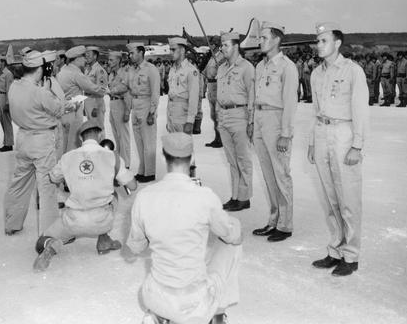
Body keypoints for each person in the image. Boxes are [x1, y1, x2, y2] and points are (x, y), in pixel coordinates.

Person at [127, 132, 242, 324]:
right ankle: (217, 314)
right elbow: (233, 237)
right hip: (194, 303)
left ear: (164, 157)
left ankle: (159, 315)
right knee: (232, 241)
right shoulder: (205, 197)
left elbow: (135, 248)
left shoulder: (144, 196)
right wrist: (232, 224)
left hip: (155, 296)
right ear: (192, 159)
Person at [32, 119, 137, 271]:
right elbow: (133, 186)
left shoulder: (67, 157)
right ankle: (104, 239)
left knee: (41, 241)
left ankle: (50, 246)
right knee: (113, 195)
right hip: (102, 219)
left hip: (73, 220)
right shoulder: (111, 156)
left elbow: (53, 178)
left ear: (80, 138)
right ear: (100, 135)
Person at [307, 22, 369, 277]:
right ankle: (336, 249)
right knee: (330, 197)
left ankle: (351, 256)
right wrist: (312, 141)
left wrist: (357, 145)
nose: (318, 45)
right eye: (317, 41)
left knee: (348, 198)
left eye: (323, 40)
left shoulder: (353, 71)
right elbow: (315, 110)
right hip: (322, 132)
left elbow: (360, 110)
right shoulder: (316, 73)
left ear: (337, 43)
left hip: (343, 133)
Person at [3, 50, 75, 236]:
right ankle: (50, 234)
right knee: (47, 187)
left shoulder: (14, 86)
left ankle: (12, 223)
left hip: (23, 139)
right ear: (40, 68)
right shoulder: (39, 91)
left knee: (19, 183)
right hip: (41, 141)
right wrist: (69, 104)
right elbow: (58, 109)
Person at [251, 22, 299, 242]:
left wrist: (286, 134)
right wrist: (252, 121)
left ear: (277, 40)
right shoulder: (261, 66)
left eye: (264, 37)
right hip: (260, 119)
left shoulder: (287, 67)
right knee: (268, 174)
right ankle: (274, 220)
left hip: (276, 121)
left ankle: (285, 224)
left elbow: (290, 102)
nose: (260, 41)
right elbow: (255, 96)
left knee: (281, 173)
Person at [216, 31, 255, 212]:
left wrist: (251, 121)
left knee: (243, 160)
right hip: (224, 116)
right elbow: (219, 95)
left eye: (225, 45)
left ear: (236, 46)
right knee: (232, 161)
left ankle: (244, 197)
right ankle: (235, 196)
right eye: (221, 45)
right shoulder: (222, 68)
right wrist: (218, 118)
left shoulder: (247, 68)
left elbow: (252, 96)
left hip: (240, 115)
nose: (222, 48)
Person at [57, 45, 106, 154]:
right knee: (73, 144)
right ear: (77, 58)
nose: (85, 59)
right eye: (83, 56)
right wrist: (106, 91)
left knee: (63, 143)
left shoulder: (62, 71)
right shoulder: (76, 73)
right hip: (74, 111)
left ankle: (62, 167)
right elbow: (91, 87)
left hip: (63, 110)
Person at [127, 42, 160, 183]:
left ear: (141, 52)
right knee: (139, 141)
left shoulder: (150, 69)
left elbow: (155, 92)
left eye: (132, 53)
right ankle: (142, 170)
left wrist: (152, 112)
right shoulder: (132, 70)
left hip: (146, 105)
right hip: (135, 105)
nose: (130, 56)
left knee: (148, 141)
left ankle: (150, 172)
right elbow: (128, 88)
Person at [166, 37, 199, 135]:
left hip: (183, 116)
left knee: (183, 147)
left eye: (173, 49)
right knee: (173, 147)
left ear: (182, 50)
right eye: (170, 50)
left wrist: (190, 121)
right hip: (171, 113)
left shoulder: (191, 70)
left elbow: (194, 98)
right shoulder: (173, 69)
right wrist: (168, 119)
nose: (171, 52)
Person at [107, 51, 132, 168]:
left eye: (111, 60)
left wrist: (127, 111)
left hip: (121, 103)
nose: (109, 62)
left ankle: (126, 164)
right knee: (117, 136)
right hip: (112, 104)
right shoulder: (111, 74)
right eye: (109, 60)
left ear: (118, 60)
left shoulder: (124, 72)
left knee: (124, 137)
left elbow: (126, 88)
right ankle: (121, 162)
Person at [204, 36, 225, 148]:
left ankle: (221, 138)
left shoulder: (221, 57)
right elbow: (205, 71)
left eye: (211, 44)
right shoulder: (211, 58)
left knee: (218, 115)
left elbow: (223, 70)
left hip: (217, 85)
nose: (209, 46)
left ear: (216, 45)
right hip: (210, 86)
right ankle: (216, 137)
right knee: (213, 115)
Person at [84, 46, 109, 132]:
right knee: (91, 129)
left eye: (89, 55)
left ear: (95, 56)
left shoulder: (99, 70)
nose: (86, 56)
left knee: (98, 128)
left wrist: (95, 107)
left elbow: (101, 91)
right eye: (86, 55)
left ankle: (100, 145)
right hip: (88, 100)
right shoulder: (87, 70)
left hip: (96, 102)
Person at [0, 56, 15, 152]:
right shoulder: (0, 73)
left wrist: (8, 103)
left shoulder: (8, 74)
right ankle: (6, 142)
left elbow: (9, 89)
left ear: (3, 62)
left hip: (5, 97)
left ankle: (9, 144)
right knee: (2, 121)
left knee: (7, 122)